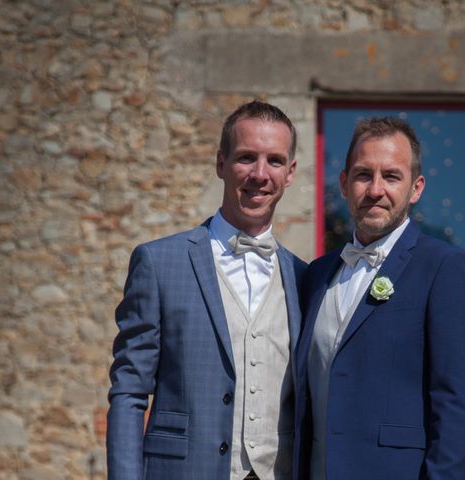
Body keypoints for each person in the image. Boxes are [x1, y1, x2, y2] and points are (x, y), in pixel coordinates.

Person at [107, 100, 306, 480]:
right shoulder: (159, 263)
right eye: (246, 157)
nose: (260, 174)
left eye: (275, 161)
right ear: (221, 164)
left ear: (291, 172)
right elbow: (129, 391)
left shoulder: (304, 277)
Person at [293, 117, 465, 479]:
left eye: (392, 176)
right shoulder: (317, 274)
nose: (375, 189)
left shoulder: (446, 268)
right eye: (364, 174)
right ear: (344, 183)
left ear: (416, 189)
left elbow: (457, 404)